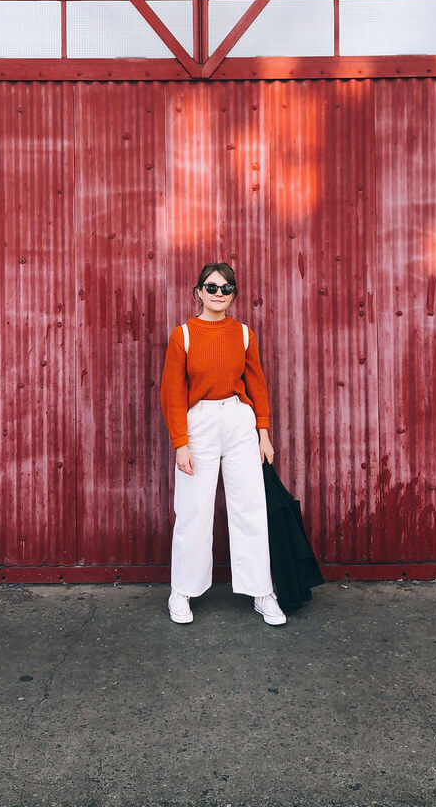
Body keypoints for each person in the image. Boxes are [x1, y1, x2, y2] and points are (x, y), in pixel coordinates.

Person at [159, 262, 287, 626]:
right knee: (193, 510)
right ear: (198, 292)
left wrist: (263, 433)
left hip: (238, 422)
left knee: (250, 507)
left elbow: (257, 385)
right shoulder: (181, 335)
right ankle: (181, 591)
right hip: (198, 422)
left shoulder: (243, 334)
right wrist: (180, 442)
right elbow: (172, 393)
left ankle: (262, 590)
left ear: (233, 295)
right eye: (211, 287)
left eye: (226, 288)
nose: (219, 294)